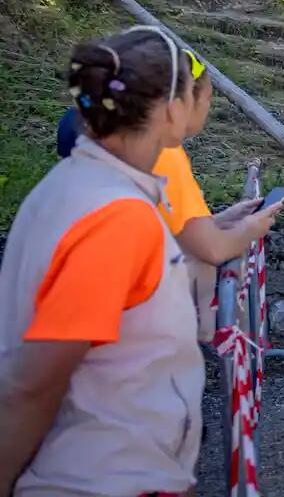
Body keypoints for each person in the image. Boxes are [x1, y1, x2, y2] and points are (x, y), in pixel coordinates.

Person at [0, 27, 214, 495]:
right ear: (172, 109)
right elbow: (34, 383)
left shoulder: (69, 186)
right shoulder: (118, 217)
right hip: (102, 477)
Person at [57, 48, 280, 338]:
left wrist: (219, 220)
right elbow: (211, 250)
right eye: (208, 99)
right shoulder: (161, 151)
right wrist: (251, 228)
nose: (208, 109)